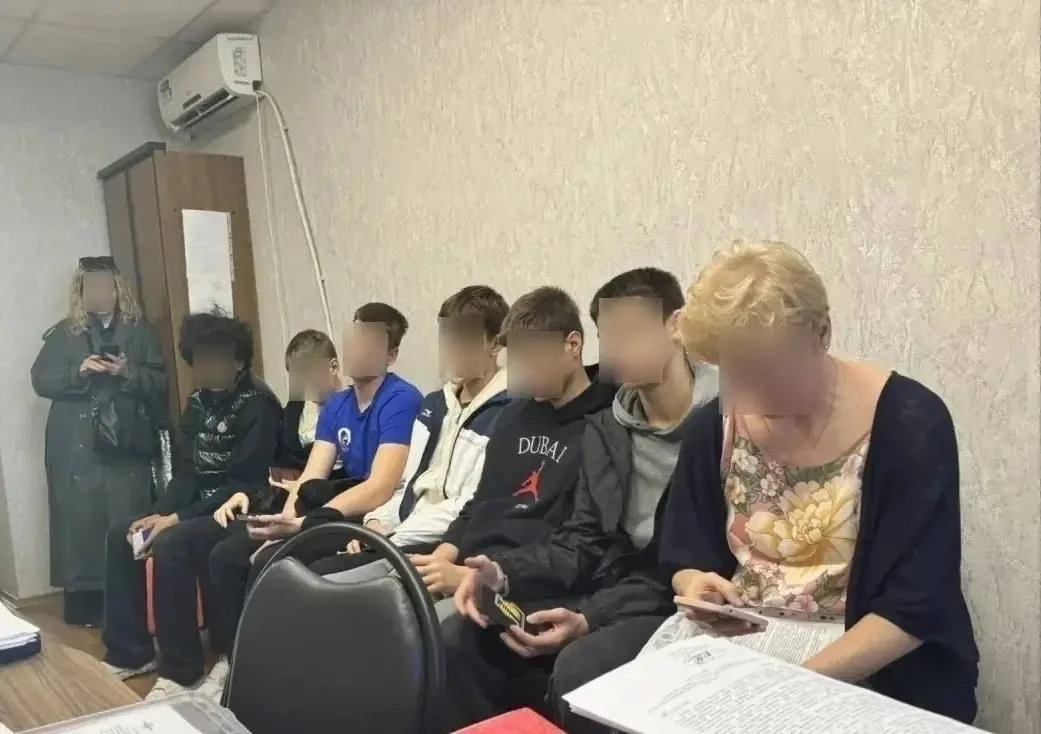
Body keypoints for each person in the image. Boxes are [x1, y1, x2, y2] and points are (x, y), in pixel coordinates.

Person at [657, 241, 979, 722]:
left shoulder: (909, 424)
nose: (748, 396)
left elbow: (915, 606)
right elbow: (687, 552)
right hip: (744, 649)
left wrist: (788, 688)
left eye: (766, 374)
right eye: (733, 375)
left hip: (868, 661)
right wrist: (695, 584)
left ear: (821, 333)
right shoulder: (717, 425)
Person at [442, 269, 720, 732]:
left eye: (631, 332)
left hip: (682, 592)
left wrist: (592, 616)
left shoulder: (727, 418)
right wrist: (503, 571)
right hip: (615, 585)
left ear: (675, 325)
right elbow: (583, 538)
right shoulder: (606, 428)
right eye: (608, 338)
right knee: (465, 633)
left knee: (579, 668)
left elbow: (690, 557)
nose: (615, 352)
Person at [406, 286, 615, 623]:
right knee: (368, 598)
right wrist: (441, 557)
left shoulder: (603, 426)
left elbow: (578, 545)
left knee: (410, 632)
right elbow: (479, 502)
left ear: (572, 345)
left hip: (517, 583)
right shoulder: (513, 415)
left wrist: (482, 577)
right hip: (465, 565)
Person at [100, 311, 282, 697]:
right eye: (199, 359)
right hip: (198, 505)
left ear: (238, 360)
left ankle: (182, 672)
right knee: (122, 534)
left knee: (173, 543)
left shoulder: (259, 403)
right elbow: (187, 473)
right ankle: (130, 652)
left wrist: (176, 520)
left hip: (243, 507)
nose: (206, 367)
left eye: (217, 357)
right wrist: (161, 513)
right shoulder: (198, 402)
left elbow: (245, 482)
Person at [312, 286, 511, 578]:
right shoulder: (435, 405)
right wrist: (376, 523)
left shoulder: (509, 413)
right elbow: (407, 486)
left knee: (326, 581)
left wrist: (396, 536)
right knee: (306, 571)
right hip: (403, 532)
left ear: (495, 344)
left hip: (446, 544)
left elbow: (471, 504)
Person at [30, 256, 167, 627]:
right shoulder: (65, 333)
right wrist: (80, 369)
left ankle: (134, 603)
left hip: (126, 439)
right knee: (79, 519)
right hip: (77, 442)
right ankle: (86, 605)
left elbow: (159, 381)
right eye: (90, 286)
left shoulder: (139, 331)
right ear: (80, 291)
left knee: (128, 510)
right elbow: (40, 379)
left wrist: (127, 371)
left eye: (105, 285)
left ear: (118, 288)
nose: (99, 292)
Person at [242, 302, 422, 577]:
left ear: (391, 355)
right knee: (251, 558)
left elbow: (380, 487)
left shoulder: (402, 398)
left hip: (376, 510)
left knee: (285, 567)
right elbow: (311, 474)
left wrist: (309, 522)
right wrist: (286, 520)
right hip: (341, 506)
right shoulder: (337, 404)